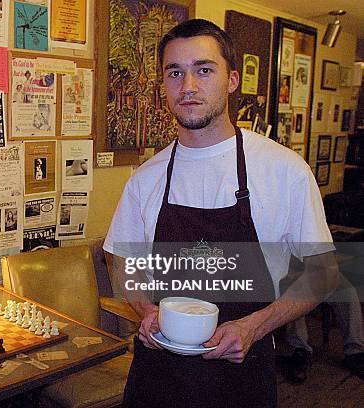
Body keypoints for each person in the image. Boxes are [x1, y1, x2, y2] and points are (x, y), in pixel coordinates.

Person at [103, 19, 337, 407]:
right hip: (157, 379)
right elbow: (124, 263)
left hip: (241, 377)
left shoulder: (285, 170)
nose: (188, 86)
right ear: (164, 84)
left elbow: (322, 272)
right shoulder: (146, 179)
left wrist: (252, 327)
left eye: (203, 70)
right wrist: (146, 311)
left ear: (231, 80)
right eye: (175, 72)